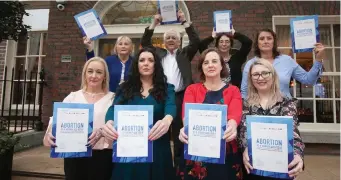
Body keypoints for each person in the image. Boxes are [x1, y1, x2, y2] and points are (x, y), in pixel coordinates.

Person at [101, 48, 177, 180]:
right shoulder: (125, 88)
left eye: (150, 60)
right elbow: (113, 109)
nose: (146, 63)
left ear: (156, 65)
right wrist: (109, 122)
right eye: (142, 60)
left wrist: (167, 119)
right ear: (136, 65)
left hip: (157, 148)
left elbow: (171, 107)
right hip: (129, 149)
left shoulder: (167, 88)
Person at [141, 10, 200, 167]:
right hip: (161, 95)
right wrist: (154, 23)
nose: (171, 40)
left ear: (179, 42)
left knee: (180, 133)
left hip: (180, 97)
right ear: (164, 42)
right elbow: (145, 42)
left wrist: (184, 22)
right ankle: (163, 167)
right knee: (161, 132)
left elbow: (196, 41)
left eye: (174, 38)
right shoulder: (158, 53)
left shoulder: (185, 53)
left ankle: (179, 170)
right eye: (168, 38)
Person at [43, 57, 115, 180]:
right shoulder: (72, 98)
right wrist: (49, 135)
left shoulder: (112, 99)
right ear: (85, 74)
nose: (94, 75)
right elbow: (54, 126)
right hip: (74, 157)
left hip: (103, 158)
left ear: (105, 76)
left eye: (99, 72)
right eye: (90, 71)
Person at [178, 48, 243, 180]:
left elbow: (234, 115)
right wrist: (186, 129)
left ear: (221, 66)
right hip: (197, 152)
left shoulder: (233, 90)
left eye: (214, 61)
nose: (210, 65)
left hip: (225, 150)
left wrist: (232, 127)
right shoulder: (192, 89)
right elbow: (187, 116)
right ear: (202, 67)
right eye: (206, 63)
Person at [239, 59, 305, 180]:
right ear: (251, 79)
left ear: (273, 75)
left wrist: (298, 155)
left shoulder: (286, 103)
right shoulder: (246, 103)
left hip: (280, 167)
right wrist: (245, 148)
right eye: (256, 74)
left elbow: (293, 132)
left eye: (265, 73)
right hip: (253, 166)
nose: (260, 78)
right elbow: (243, 131)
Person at [241, 28, 326, 98]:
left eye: (269, 38)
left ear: (274, 42)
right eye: (262, 39)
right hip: (258, 111)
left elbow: (308, 80)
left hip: (284, 110)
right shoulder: (250, 64)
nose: (265, 41)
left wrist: (318, 59)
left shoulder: (287, 60)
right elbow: (244, 91)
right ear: (257, 43)